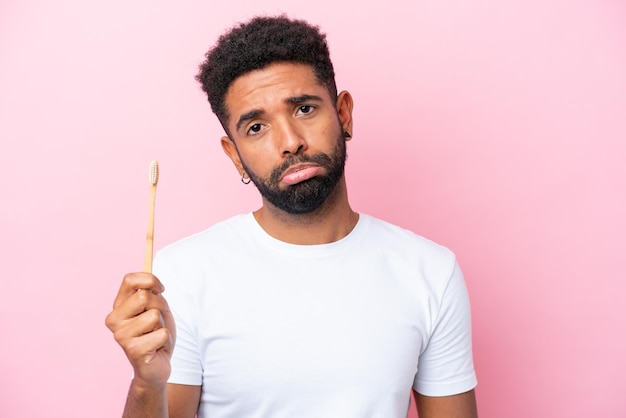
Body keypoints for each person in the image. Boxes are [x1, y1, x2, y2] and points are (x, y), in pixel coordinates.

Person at [105, 15, 478, 418]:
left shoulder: (430, 272)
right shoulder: (184, 273)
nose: (289, 143)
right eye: (256, 127)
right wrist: (148, 383)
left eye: (303, 108)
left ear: (344, 115)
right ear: (235, 157)